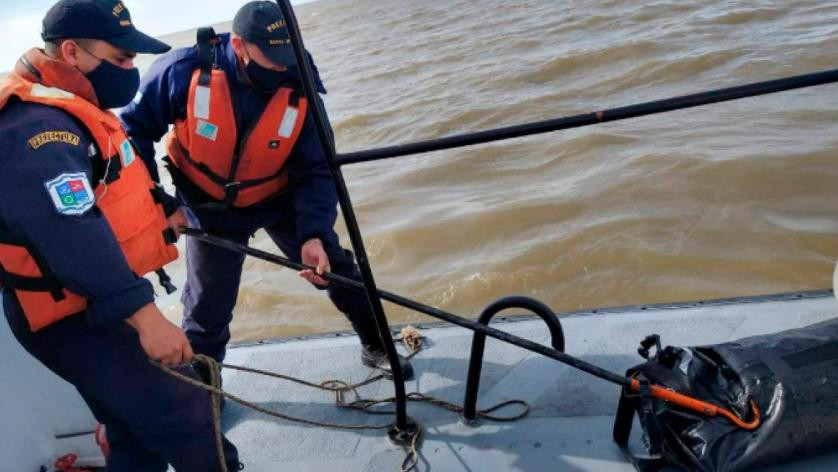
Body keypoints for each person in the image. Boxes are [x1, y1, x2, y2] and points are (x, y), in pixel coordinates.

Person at [0, 1, 240, 470]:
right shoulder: (35, 127)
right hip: (72, 316)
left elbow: (105, 180)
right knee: (190, 413)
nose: (132, 70)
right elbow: (70, 233)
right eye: (122, 58)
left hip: (93, 302)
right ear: (72, 52)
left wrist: (163, 208)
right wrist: (148, 321)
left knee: (132, 432)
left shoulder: (67, 106)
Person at [120, 1, 414, 380]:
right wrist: (158, 201)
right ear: (239, 45)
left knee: (337, 269)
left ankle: (376, 344)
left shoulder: (300, 79)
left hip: (278, 198)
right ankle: (207, 384)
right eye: (272, 57)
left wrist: (314, 233)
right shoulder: (181, 70)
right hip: (208, 206)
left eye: (288, 56)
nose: (282, 66)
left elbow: (317, 166)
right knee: (208, 302)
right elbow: (132, 133)